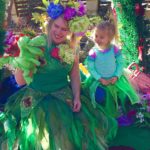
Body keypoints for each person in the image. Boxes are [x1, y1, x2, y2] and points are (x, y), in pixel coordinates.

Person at [0, 2, 117, 150]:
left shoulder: (71, 47)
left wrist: (76, 97)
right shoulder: (36, 45)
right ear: (50, 25)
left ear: (70, 31)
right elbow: (20, 81)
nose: (59, 32)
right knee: (39, 137)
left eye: (64, 29)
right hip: (36, 98)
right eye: (56, 26)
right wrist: (22, 58)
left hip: (63, 95)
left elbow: (74, 76)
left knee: (76, 131)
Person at [85, 20, 140, 117]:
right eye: (96, 36)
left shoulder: (114, 49)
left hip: (114, 78)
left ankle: (124, 108)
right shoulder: (93, 52)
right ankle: (102, 112)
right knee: (100, 96)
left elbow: (120, 63)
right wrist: (99, 78)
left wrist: (116, 76)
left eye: (101, 37)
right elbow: (91, 68)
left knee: (124, 93)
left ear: (109, 39)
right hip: (99, 80)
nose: (97, 39)